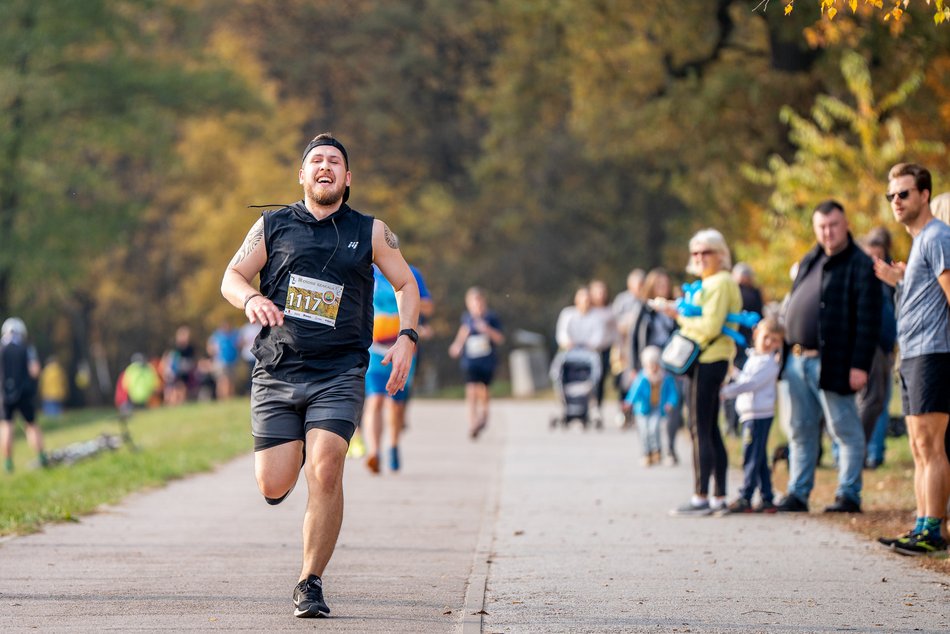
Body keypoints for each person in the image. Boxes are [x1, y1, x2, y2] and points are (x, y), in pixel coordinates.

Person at [220, 133, 420, 618]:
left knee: (328, 464)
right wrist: (252, 299)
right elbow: (231, 277)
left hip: (339, 370)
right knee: (272, 483)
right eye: (316, 161)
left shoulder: (371, 231)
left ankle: (310, 582)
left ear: (347, 178)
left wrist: (407, 339)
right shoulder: (271, 225)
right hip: (278, 370)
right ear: (303, 176)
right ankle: (295, 452)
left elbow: (406, 282)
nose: (325, 167)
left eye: (334, 161)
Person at [778, 200, 880, 514]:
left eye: (833, 225)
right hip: (797, 360)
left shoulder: (860, 264)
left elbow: (868, 319)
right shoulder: (811, 258)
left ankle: (849, 495)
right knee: (800, 429)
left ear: (845, 223)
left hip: (834, 360)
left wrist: (860, 365)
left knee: (844, 429)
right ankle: (798, 492)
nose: (828, 232)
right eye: (821, 226)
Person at [875, 163, 950, 555]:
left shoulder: (937, 235)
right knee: (919, 447)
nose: (897, 202)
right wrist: (900, 282)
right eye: (892, 196)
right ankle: (921, 523)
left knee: (931, 444)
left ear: (924, 194)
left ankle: (934, 531)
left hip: (934, 352)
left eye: (904, 194)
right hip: (913, 352)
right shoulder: (920, 240)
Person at [657, 229, 742, 516]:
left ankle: (701, 495)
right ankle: (717, 494)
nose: (699, 258)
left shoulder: (720, 282)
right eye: (695, 253)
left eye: (706, 252)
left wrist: (679, 316)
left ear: (721, 254)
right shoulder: (706, 283)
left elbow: (709, 327)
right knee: (709, 427)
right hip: (704, 359)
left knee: (698, 428)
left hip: (710, 358)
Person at [361, 263, 434, 473]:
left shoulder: (410, 273)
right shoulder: (367, 271)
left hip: (403, 348)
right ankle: (374, 452)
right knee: (374, 400)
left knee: (395, 404)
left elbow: (428, 306)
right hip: (374, 348)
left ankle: (392, 444)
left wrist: (407, 297)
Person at [719, 317, 784, 514]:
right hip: (749, 413)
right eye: (766, 338)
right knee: (759, 456)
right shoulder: (755, 358)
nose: (768, 344)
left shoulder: (769, 363)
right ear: (756, 335)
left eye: (774, 341)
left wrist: (725, 392)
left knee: (751, 455)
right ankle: (767, 496)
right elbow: (747, 379)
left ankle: (745, 496)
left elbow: (752, 384)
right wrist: (735, 373)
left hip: (758, 415)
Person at [855, 229, 897, 469]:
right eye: (872, 256)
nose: (876, 262)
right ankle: (856, 453)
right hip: (870, 345)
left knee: (879, 402)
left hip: (884, 347)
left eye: (880, 256)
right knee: (869, 401)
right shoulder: (863, 278)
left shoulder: (886, 280)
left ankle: (869, 452)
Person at [448, 287, 504, 439]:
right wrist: (457, 346)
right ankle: (473, 422)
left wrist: (487, 330)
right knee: (471, 389)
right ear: (468, 304)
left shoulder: (491, 318)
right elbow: (463, 332)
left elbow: (499, 338)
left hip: (487, 361)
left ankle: (484, 415)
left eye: (479, 302)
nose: (477, 306)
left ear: (484, 302)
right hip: (470, 361)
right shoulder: (467, 318)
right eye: (473, 303)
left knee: (484, 391)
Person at [0, 317, 47, 473]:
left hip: (5, 395)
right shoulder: (26, 347)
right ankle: (41, 457)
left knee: (6, 426)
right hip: (24, 393)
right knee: (32, 425)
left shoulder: (1, 348)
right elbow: (35, 370)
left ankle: (8, 464)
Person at [724, 262, 765, 437]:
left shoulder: (747, 293)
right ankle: (732, 423)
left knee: (737, 381)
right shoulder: (750, 293)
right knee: (737, 381)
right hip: (739, 343)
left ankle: (733, 423)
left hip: (742, 344)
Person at [624, 345, 678, 466]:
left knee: (654, 428)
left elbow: (673, 393)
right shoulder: (642, 378)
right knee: (644, 431)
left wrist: (670, 403)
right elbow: (634, 391)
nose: (653, 368)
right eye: (650, 364)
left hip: (657, 407)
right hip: (642, 408)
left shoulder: (665, 378)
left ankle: (656, 451)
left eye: (655, 364)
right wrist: (629, 402)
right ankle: (646, 453)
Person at [161, 326, 196, 405]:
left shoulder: (190, 349)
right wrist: (166, 370)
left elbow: (192, 361)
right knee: (173, 390)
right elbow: (166, 359)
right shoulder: (174, 348)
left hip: (184, 372)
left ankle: (179, 404)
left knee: (182, 389)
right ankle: (171, 404)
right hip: (173, 372)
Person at [207, 321, 240, 399]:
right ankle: (222, 397)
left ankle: (229, 397)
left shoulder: (233, 335)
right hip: (220, 361)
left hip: (232, 361)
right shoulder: (217, 336)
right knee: (222, 380)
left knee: (230, 380)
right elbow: (210, 348)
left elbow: (239, 345)